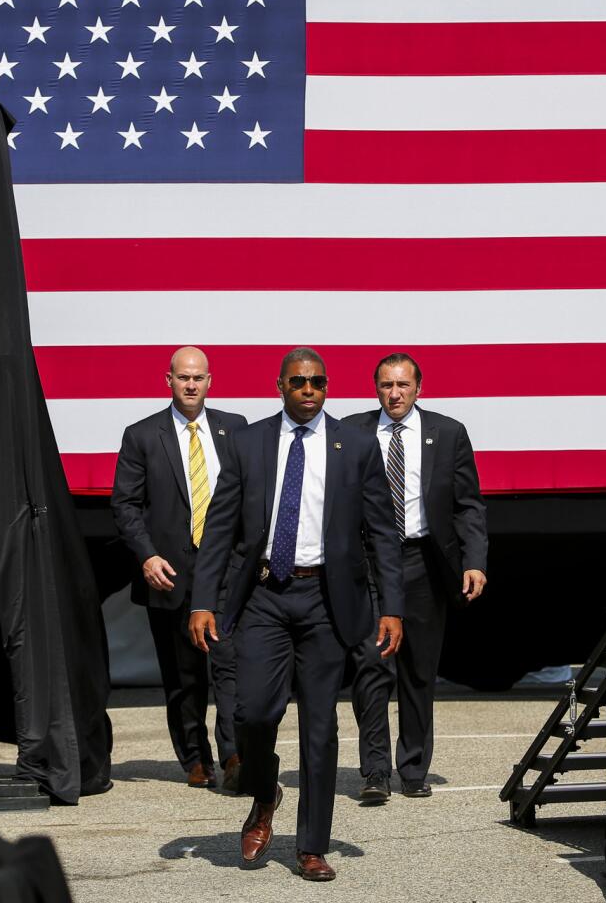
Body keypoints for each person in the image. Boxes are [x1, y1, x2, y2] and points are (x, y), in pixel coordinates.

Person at [189, 347, 403, 882]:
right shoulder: (248, 442)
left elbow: (381, 532)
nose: (309, 391)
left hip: (326, 601)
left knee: (319, 725)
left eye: (318, 383)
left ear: (327, 388)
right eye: (299, 383)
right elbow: (219, 528)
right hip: (264, 595)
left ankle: (312, 845)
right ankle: (265, 793)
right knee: (254, 714)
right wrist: (201, 600)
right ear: (280, 386)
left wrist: (391, 608)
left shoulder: (355, 446)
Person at [346, 353, 488, 803]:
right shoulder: (351, 431)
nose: (394, 394)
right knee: (371, 666)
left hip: (424, 561)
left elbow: (468, 504)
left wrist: (474, 560)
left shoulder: (447, 433)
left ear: (419, 388)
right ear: (375, 388)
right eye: (386, 385)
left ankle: (412, 769)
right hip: (368, 563)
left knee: (418, 671)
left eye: (403, 385)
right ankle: (374, 771)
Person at [111, 346, 246, 790]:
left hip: (224, 570)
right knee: (183, 676)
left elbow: (251, 497)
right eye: (183, 377)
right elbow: (126, 505)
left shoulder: (235, 429)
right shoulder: (142, 435)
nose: (191, 384)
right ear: (167, 380)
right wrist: (147, 555)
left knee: (229, 666)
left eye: (199, 377)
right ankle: (194, 757)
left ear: (211, 382)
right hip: (169, 572)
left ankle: (233, 754)